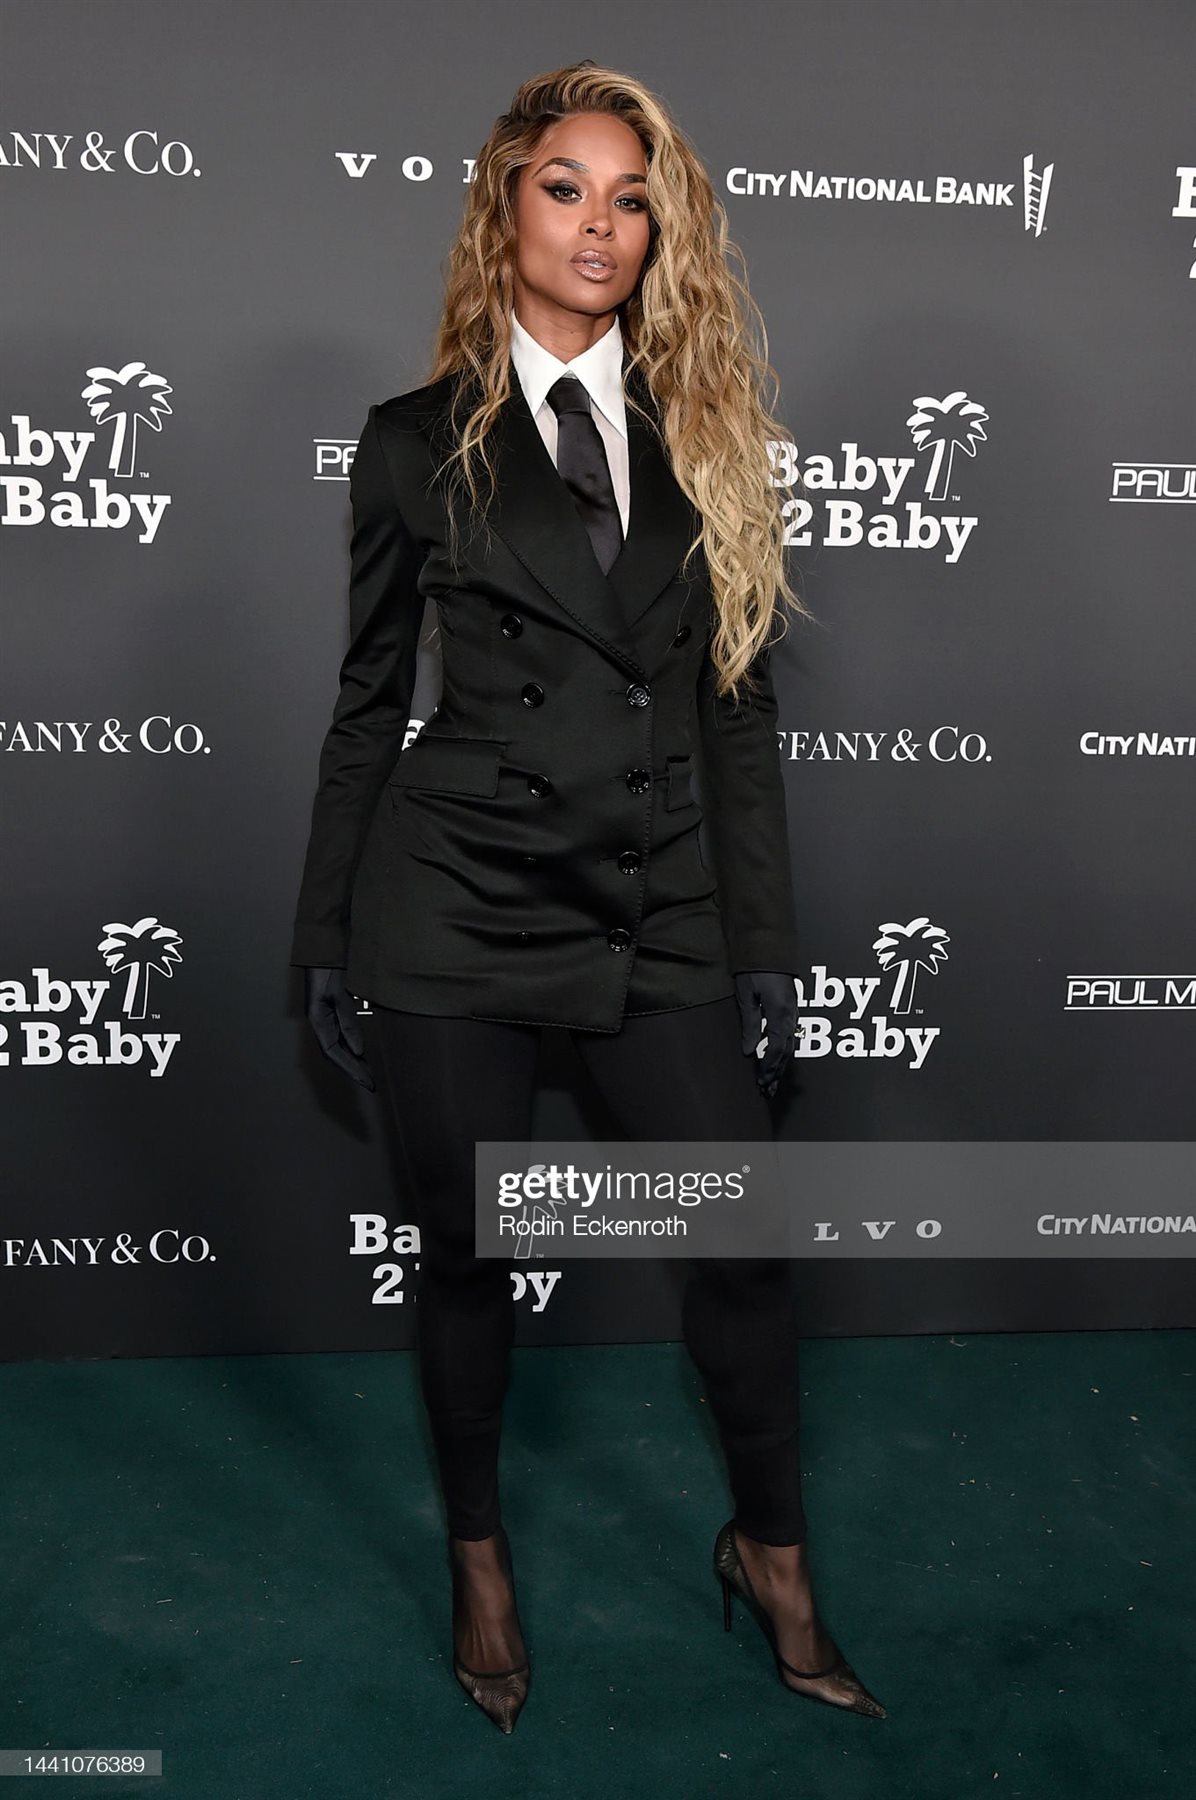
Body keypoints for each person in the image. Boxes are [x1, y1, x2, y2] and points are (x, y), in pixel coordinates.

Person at [290, 61, 885, 1733]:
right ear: (507, 208)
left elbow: (737, 716)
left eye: (632, 199)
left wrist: (760, 944)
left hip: (661, 901)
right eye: (566, 188)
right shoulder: (414, 444)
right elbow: (366, 704)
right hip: (455, 902)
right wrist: (326, 926)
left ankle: (772, 1553)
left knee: (743, 1255)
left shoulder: (709, 435)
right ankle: (479, 1555)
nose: (600, 225)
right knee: (466, 1256)